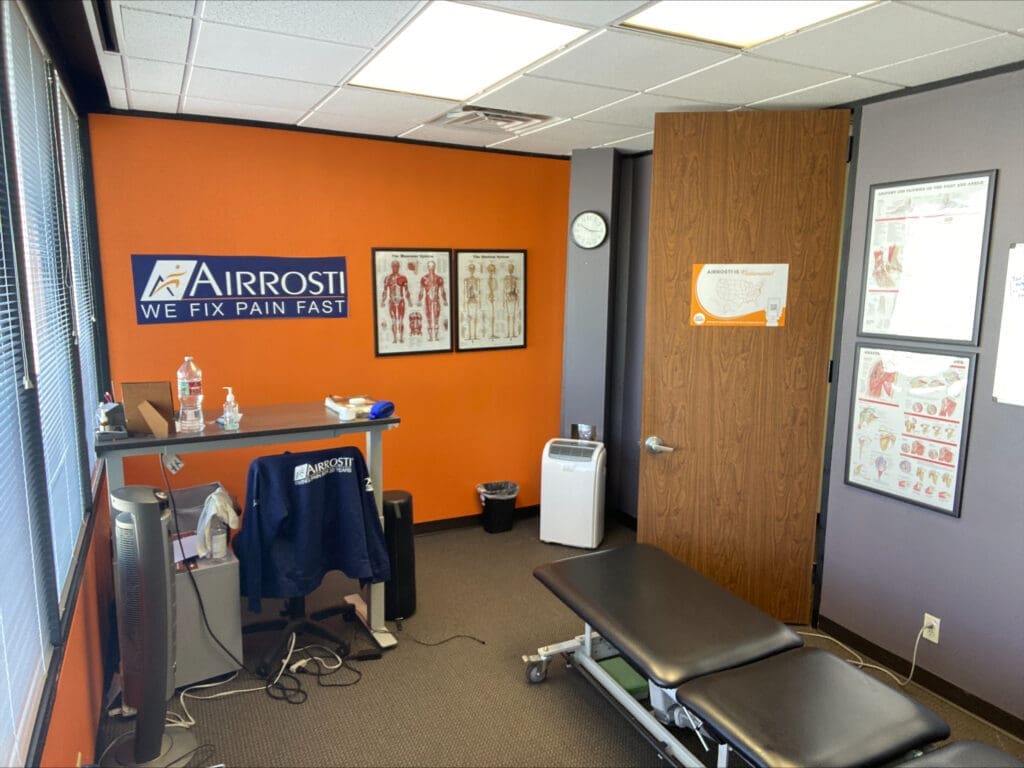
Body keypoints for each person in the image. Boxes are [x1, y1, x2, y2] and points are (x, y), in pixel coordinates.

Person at [380, 260, 411, 344]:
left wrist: (409, 302)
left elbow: (407, 291)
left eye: (396, 266)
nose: (395, 268)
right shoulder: (388, 278)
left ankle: (401, 338)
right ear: (391, 267)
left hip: (401, 300)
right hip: (392, 301)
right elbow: (385, 291)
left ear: (399, 267)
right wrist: (382, 301)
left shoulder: (403, 278)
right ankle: (394, 338)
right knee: (393, 320)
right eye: (393, 266)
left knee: (401, 320)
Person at [418, 260, 448, 342]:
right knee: (429, 319)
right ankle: (431, 337)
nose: (431, 268)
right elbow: (421, 291)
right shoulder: (424, 278)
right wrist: (419, 300)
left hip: (436, 300)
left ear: (434, 267)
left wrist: (445, 300)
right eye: (430, 267)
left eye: (432, 267)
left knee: (436, 318)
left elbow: (442, 291)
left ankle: (436, 337)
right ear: (428, 267)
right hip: (427, 300)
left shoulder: (439, 279)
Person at [462, 262, 481, 341]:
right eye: (470, 268)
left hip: (475, 300)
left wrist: (479, 302)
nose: (472, 270)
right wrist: (464, 303)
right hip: (469, 300)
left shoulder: (477, 280)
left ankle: (475, 335)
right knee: (469, 317)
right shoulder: (466, 280)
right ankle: (470, 335)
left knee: (475, 317)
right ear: (469, 269)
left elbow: (478, 291)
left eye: (473, 268)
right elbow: (465, 292)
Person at [501, 262, 520, 338]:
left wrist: (518, 300)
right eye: (509, 268)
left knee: (514, 315)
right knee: (509, 315)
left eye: (511, 268)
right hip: (508, 297)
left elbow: (517, 290)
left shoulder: (515, 279)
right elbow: (504, 290)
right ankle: (509, 333)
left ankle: (513, 333)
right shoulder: (505, 278)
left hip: (514, 297)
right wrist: (503, 300)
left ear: (513, 269)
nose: (510, 270)